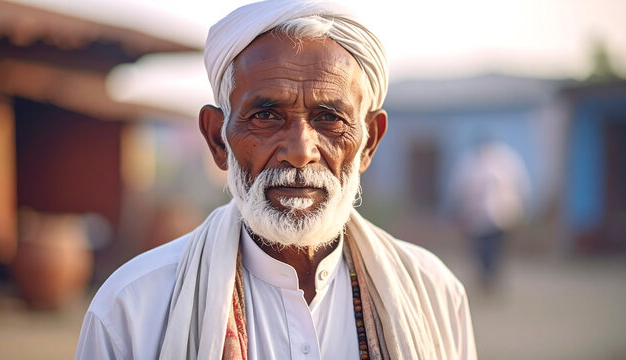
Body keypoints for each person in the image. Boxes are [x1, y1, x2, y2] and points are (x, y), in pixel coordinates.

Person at [76, 1, 477, 359]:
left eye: (329, 118)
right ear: (218, 139)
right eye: (266, 116)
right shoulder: (132, 307)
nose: (300, 150)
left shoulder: (434, 295)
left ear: (369, 142)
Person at [449, 138, 531, 290]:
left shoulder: (506, 161)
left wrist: (518, 210)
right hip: (476, 218)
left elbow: (520, 187)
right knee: (480, 252)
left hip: (502, 217)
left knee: (497, 251)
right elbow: (460, 189)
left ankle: (493, 281)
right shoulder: (469, 163)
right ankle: (485, 280)